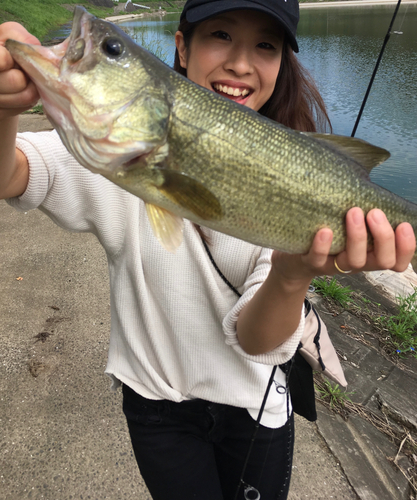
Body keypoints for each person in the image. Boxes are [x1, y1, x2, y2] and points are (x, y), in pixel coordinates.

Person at [0, 0, 415, 498]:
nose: (241, 62)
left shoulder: (291, 163)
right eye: (220, 35)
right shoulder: (110, 159)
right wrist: (5, 110)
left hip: (256, 410)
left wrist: (290, 275)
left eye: (266, 45)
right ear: (181, 46)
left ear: (282, 64)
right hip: (155, 407)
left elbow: (259, 341)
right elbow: (12, 172)